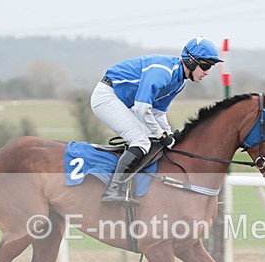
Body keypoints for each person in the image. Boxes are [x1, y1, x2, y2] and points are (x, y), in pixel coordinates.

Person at [90, 37, 222, 204]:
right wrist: (161, 134)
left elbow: (158, 113)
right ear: (190, 61)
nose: (207, 72)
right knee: (140, 141)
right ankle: (112, 190)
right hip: (107, 97)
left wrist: (168, 136)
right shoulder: (163, 72)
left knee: (154, 141)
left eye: (210, 67)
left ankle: (136, 187)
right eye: (205, 66)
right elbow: (142, 109)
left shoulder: (179, 82)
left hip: (125, 102)